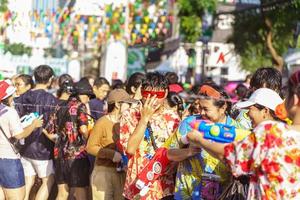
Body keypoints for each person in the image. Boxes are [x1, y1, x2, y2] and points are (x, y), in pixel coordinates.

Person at [187, 70, 300, 199]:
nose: (246, 114)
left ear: (295, 99)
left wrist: (200, 140)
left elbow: (229, 155)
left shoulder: (271, 132)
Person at [167, 83, 248, 199]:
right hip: (187, 194)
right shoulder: (190, 123)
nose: (201, 113)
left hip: (223, 195)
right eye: (200, 108)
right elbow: (169, 154)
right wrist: (188, 152)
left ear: (223, 108)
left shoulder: (237, 131)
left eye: (205, 109)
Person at [119, 72, 180, 200]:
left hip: (164, 189)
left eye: (158, 95)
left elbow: (177, 150)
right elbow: (130, 149)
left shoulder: (173, 119)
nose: (153, 100)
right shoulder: (129, 115)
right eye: (148, 95)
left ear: (166, 94)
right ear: (141, 93)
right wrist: (144, 118)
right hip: (136, 188)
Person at [44, 78, 94, 200]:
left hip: (59, 154)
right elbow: (83, 129)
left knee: (62, 193)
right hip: (77, 155)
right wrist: (90, 140)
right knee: (80, 190)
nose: (88, 99)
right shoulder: (80, 106)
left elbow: (48, 130)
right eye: (88, 96)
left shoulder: (59, 106)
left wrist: (60, 141)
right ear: (82, 94)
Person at [14, 65, 58, 200]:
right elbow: (52, 126)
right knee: (47, 181)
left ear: (34, 78)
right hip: (43, 149)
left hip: (24, 146)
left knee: (28, 182)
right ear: (50, 79)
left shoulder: (21, 97)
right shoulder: (51, 99)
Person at [87, 89, 137, 200]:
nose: (130, 107)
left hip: (122, 172)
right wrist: (111, 154)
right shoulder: (102, 122)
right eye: (127, 104)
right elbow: (90, 147)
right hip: (103, 172)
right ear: (118, 105)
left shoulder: (128, 123)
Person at [0, 80, 43, 200]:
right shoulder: (10, 112)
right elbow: (19, 135)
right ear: (7, 97)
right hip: (9, 161)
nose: (14, 97)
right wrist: (33, 124)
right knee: (17, 197)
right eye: (12, 95)